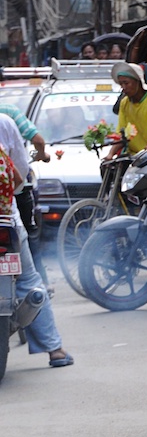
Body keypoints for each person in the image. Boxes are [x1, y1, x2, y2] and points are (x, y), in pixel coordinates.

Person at [0, 113, 73, 367]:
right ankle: (55, 350)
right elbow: (19, 177)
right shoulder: (5, 122)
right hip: (7, 221)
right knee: (29, 280)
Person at [0, 103, 51, 290]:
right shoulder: (8, 115)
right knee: (29, 236)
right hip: (12, 201)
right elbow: (19, 174)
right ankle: (43, 283)